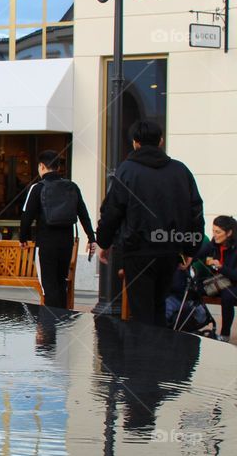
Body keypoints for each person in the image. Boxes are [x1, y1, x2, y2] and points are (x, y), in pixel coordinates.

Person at [96, 120, 204, 326]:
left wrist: (104, 241)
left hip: (138, 250)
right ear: (161, 141)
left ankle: (145, 355)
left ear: (135, 143)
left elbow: (112, 210)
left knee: (141, 310)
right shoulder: (180, 171)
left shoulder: (127, 170)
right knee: (159, 305)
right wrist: (191, 249)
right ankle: (159, 353)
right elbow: (195, 212)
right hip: (170, 248)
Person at [19, 150, 96, 310]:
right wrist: (91, 237)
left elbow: (27, 217)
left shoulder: (37, 188)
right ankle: (61, 324)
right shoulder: (72, 187)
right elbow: (83, 213)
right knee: (61, 283)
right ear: (58, 167)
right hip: (66, 243)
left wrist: (23, 238)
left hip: (46, 243)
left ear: (41, 166)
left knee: (48, 286)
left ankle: (50, 327)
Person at [195, 215, 237, 342]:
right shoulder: (214, 243)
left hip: (234, 282)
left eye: (218, 232)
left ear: (229, 232)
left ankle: (224, 334)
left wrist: (221, 267)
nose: (215, 234)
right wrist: (188, 259)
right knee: (194, 287)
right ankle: (197, 322)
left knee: (227, 296)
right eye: (213, 231)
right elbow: (198, 254)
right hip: (220, 281)